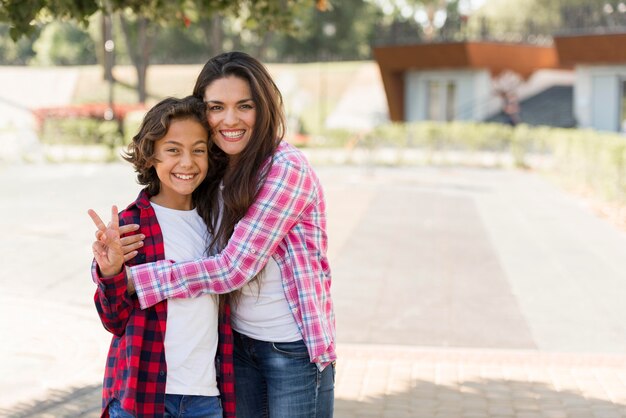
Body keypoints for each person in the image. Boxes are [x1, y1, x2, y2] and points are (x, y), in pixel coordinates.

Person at [96, 51, 336, 417]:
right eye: (216, 107)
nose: (229, 119)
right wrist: (109, 270)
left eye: (245, 106)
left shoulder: (286, 170)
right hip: (236, 345)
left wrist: (136, 279)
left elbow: (231, 268)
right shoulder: (215, 171)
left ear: (264, 107)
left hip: (290, 348)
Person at [88, 95, 235, 418]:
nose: (187, 163)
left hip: (205, 397)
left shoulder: (219, 224)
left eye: (198, 150)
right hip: (142, 396)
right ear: (150, 155)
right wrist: (111, 274)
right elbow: (114, 320)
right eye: (173, 150)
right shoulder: (130, 227)